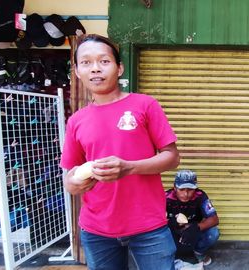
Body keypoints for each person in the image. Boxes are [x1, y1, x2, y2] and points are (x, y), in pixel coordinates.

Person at [60, 34, 180, 270]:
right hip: (97, 230)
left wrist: (130, 167)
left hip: (149, 227)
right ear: (76, 71)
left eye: (104, 61)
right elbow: (70, 176)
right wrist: (74, 184)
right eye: (86, 63)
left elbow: (172, 157)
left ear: (119, 68)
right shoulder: (76, 121)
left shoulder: (145, 105)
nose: (95, 69)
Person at [166, 169, 219, 266]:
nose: (186, 194)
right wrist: (170, 223)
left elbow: (214, 219)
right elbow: (153, 219)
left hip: (194, 231)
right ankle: (170, 255)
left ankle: (199, 253)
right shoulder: (167, 197)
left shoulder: (200, 196)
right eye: (181, 190)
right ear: (174, 187)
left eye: (190, 190)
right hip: (173, 233)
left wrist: (196, 227)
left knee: (213, 233)